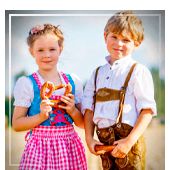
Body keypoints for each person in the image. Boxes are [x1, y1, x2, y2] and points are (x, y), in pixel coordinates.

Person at [83, 11, 157, 170]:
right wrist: (89, 139)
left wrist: (130, 141)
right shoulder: (96, 74)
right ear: (105, 36)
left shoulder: (138, 71)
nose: (119, 44)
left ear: (137, 43)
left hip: (129, 145)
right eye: (114, 37)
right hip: (103, 144)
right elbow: (88, 110)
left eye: (126, 40)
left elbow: (147, 111)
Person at [12, 24, 87, 170]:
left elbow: (83, 124)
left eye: (52, 49)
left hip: (69, 149)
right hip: (39, 150)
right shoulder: (27, 84)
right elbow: (16, 124)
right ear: (31, 52)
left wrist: (72, 110)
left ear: (60, 49)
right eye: (40, 50)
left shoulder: (73, 82)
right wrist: (41, 116)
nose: (47, 55)